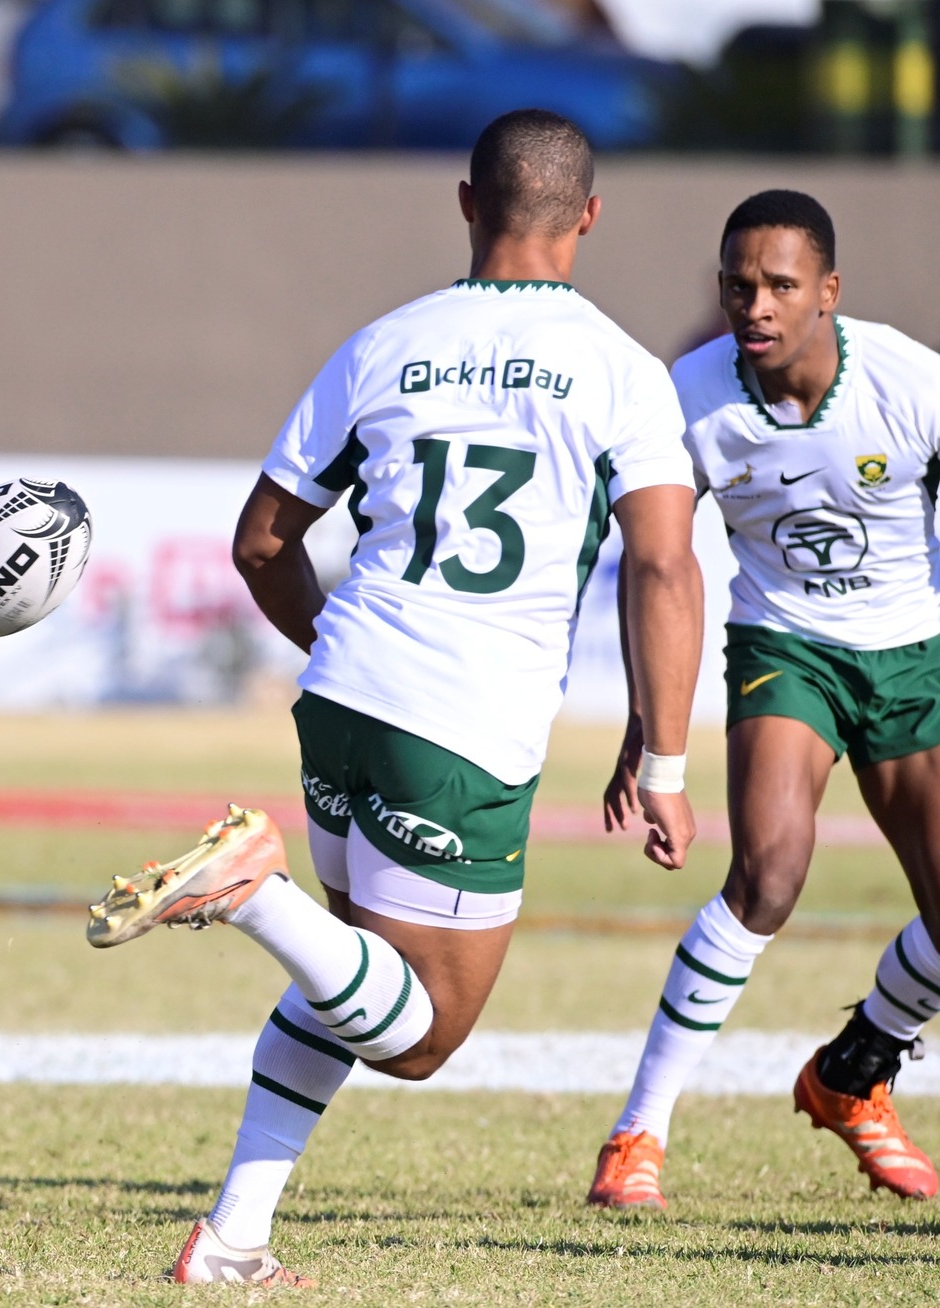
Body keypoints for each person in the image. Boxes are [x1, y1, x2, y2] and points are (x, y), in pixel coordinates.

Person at [85, 110, 705, 1286]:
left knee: (348, 973)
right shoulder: (621, 370)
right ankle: (249, 893)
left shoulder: (382, 345)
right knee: (421, 1038)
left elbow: (262, 541)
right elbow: (664, 564)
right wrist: (662, 760)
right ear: (587, 215)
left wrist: (343, 650)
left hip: (343, 694)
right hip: (463, 726)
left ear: (466, 204)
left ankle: (233, 1238)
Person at [589, 190, 940, 1209]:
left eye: (780, 285)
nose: (756, 304)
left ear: (826, 291)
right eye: (737, 284)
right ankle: (635, 1135)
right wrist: (646, 730)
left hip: (912, 653)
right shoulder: (683, 398)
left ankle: (851, 1073)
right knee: (768, 874)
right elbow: (654, 565)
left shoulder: (911, 383)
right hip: (784, 646)